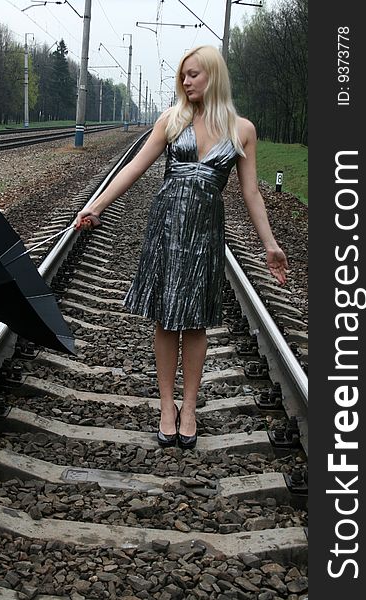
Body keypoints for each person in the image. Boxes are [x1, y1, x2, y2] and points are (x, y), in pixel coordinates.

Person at [75, 45, 288, 450]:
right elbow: (135, 168)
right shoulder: (172, 121)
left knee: (195, 322)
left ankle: (189, 407)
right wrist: (95, 207)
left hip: (207, 231)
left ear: (214, 76)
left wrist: (270, 245)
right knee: (166, 317)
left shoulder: (242, 130)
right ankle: (167, 406)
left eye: (193, 74)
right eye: (183, 76)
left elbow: (250, 192)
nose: (186, 81)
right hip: (167, 226)